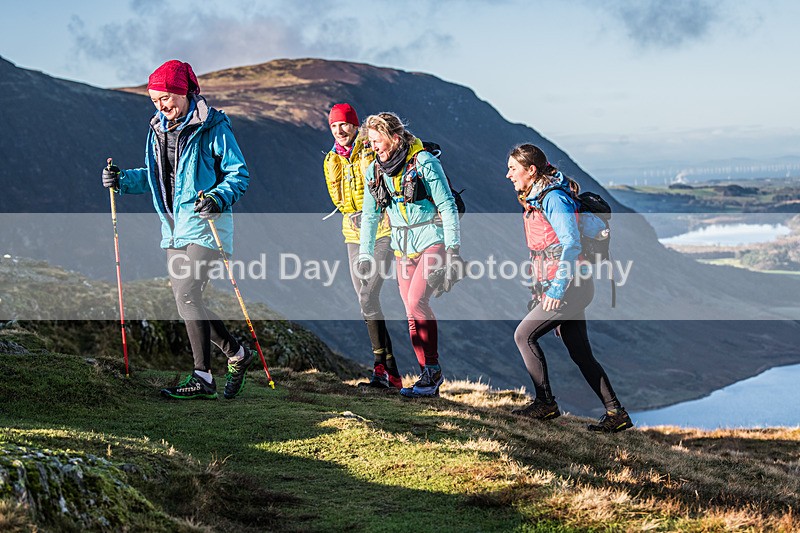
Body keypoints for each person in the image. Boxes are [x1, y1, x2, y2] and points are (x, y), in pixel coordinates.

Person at [101, 60, 254, 400]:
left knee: (188, 295)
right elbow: (154, 178)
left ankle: (203, 377)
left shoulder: (214, 127)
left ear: (183, 92)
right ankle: (237, 355)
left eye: (166, 98)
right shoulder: (157, 131)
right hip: (172, 230)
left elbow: (238, 174)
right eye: (155, 101)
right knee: (188, 301)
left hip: (207, 227)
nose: (161, 106)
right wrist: (122, 181)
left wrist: (216, 197)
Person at [506, 143, 633, 432]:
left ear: (531, 170)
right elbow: (544, 249)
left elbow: (571, 244)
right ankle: (617, 414)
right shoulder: (539, 198)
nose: (508, 175)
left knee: (523, 336)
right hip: (568, 285)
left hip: (569, 287)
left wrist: (555, 291)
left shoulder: (554, 199)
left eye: (513, 168)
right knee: (580, 352)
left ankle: (545, 403)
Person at [358, 112, 463, 398]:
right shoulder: (374, 171)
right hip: (401, 246)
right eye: (370, 141)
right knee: (410, 310)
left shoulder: (424, 162)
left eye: (377, 141)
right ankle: (427, 378)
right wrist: (365, 254)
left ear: (394, 138)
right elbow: (370, 216)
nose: (373, 146)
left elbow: (447, 205)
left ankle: (432, 371)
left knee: (417, 301)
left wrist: (453, 250)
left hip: (433, 240)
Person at [323, 103, 404, 389]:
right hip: (353, 236)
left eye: (344, 124)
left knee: (369, 295)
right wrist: (351, 212)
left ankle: (382, 369)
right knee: (366, 301)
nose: (339, 130)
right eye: (334, 126)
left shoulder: (371, 148)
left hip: (383, 231)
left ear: (355, 125)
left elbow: (399, 147)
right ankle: (389, 373)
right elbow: (337, 199)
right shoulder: (331, 160)